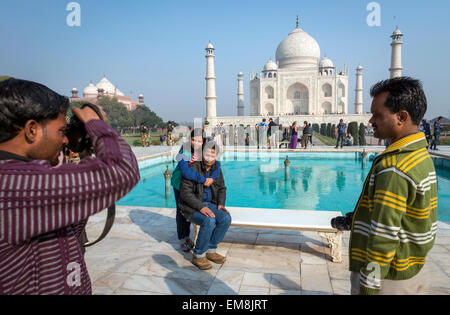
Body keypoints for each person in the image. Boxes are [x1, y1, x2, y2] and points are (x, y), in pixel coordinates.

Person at [0, 79, 140, 295]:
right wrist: (96, 124)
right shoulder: (15, 185)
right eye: (61, 131)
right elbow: (123, 170)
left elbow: (71, 223)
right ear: (32, 130)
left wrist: (84, 147)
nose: (65, 140)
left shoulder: (20, 178)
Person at [347, 77, 437, 295]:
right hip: (413, 268)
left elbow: (383, 237)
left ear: (401, 117)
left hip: (388, 281)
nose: (370, 120)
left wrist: (369, 287)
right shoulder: (419, 155)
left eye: (377, 115)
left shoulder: (394, 167)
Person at [179, 140, 231, 270]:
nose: (209, 159)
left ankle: (211, 250)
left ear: (216, 157)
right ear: (202, 154)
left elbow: (221, 188)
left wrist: (220, 204)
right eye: (207, 155)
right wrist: (201, 207)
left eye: (212, 156)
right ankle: (198, 255)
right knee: (208, 220)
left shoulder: (216, 170)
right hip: (191, 206)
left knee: (225, 218)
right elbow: (185, 193)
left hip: (210, 203)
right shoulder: (193, 168)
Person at [170, 129, 222, 252]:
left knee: (194, 208)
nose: (196, 143)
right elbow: (185, 170)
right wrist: (203, 179)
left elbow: (217, 165)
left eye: (199, 140)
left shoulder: (205, 149)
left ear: (203, 140)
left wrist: (212, 178)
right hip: (180, 183)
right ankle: (183, 238)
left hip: (194, 184)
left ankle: (198, 234)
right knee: (182, 211)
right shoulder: (185, 150)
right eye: (194, 140)